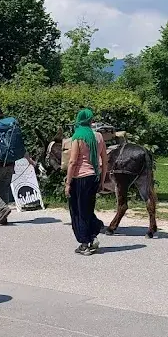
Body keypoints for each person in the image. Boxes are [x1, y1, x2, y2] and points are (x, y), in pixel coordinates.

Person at [0, 106, 34, 225]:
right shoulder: (12, 129)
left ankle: (2, 209)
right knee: (4, 188)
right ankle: (2, 217)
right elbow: (20, 147)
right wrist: (30, 161)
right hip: (10, 164)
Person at [65, 108, 108, 255]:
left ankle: (85, 243)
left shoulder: (78, 137)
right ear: (90, 120)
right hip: (94, 177)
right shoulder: (99, 136)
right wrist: (102, 180)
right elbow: (105, 160)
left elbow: (72, 162)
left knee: (78, 211)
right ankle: (93, 235)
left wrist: (68, 183)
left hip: (79, 178)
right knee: (88, 209)